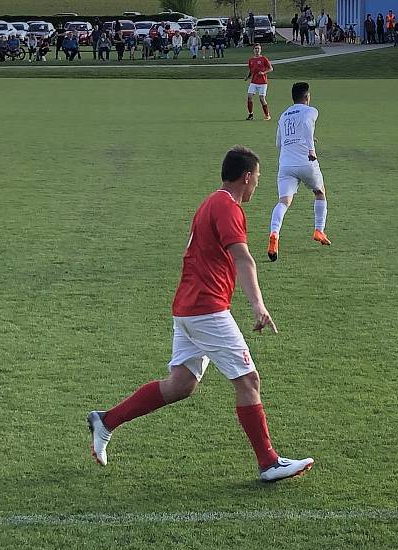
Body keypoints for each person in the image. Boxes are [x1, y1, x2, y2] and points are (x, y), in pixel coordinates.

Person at [87, 146, 314, 482]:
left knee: (180, 385)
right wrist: (258, 305)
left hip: (189, 307)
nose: (256, 186)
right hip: (207, 309)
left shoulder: (211, 202)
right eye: (257, 179)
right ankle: (269, 462)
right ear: (247, 176)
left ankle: (106, 421)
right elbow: (244, 258)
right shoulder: (227, 208)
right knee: (248, 380)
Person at [267, 82, 331, 262]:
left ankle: (274, 233)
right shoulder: (311, 111)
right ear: (307, 97)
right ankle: (319, 230)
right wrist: (311, 148)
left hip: (286, 163)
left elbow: (279, 144)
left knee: (284, 201)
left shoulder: (284, 115)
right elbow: (306, 125)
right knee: (320, 193)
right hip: (306, 161)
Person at [245, 44, 273, 121]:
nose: (257, 50)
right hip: (254, 82)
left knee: (261, 98)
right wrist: (247, 77)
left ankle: (267, 115)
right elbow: (251, 70)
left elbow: (271, 69)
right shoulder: (251, 60)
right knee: (249, 97)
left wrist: (264, 72)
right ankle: (251, 114)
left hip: (263, 82)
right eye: (256, 48)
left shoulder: (264, 59)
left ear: (260, 50)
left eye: (258, 49)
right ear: (253, 50)